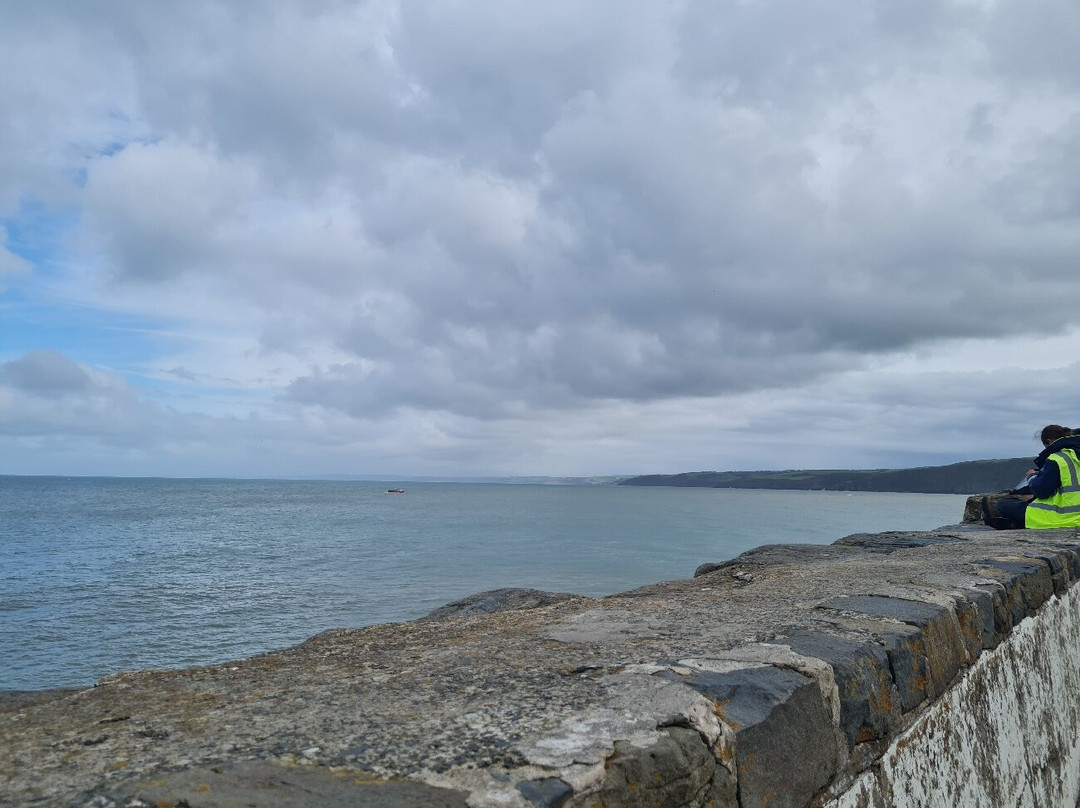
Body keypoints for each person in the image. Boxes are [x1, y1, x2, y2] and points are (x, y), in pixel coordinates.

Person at [994, 425, 1080, 529]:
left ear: (1049, 441)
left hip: (1064, 517)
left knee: (1003, 504)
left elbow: (1042, 491)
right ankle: (1015, 523)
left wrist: (1032, 477)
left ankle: (1017, 523)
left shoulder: (1058, 459)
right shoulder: (1075, 455)